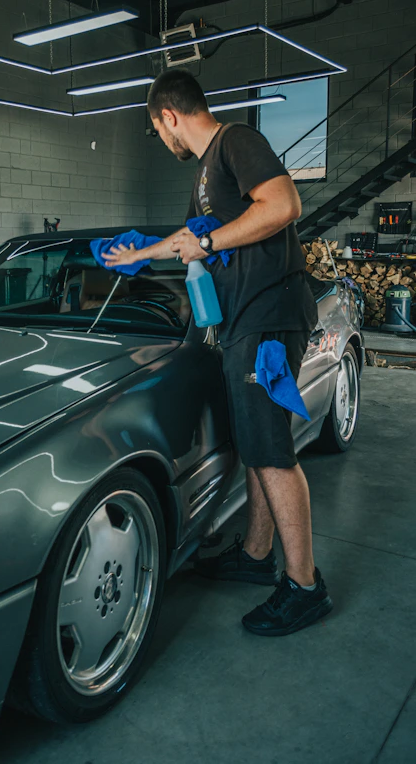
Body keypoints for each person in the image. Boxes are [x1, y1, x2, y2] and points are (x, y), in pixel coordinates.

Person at [104, 68, 333, 637]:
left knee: (273, 450)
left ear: (169, 116)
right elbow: (193, 242)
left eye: (158, 131)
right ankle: (256, 556)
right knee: (254, 443)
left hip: (270, 316)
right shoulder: (207, 174)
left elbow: (283, 204)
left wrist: (206, 241)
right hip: (243, 323)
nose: (162, 141)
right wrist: (136, 255)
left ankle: (305, 586)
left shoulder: (236, 142)